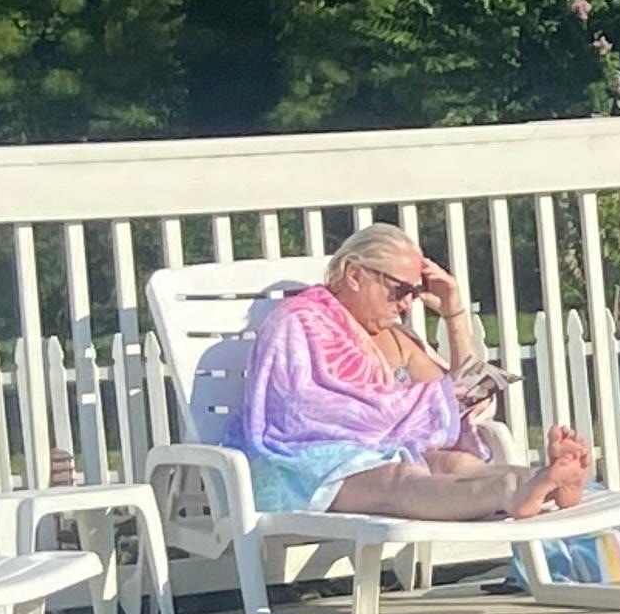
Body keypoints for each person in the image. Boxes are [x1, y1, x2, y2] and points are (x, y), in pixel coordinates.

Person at [232, 223, 594, 520]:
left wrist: (453, 311)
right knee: (400, 478)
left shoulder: (396, 337)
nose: (407, 304)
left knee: (455, 462)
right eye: (399, 290)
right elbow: (300, 411)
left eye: (414, 293)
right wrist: (413, 406)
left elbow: (460, 394)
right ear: (355, 275)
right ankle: (513, 490)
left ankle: (546, 481)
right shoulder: (298, 322)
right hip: (306, 463)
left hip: (378, 451)